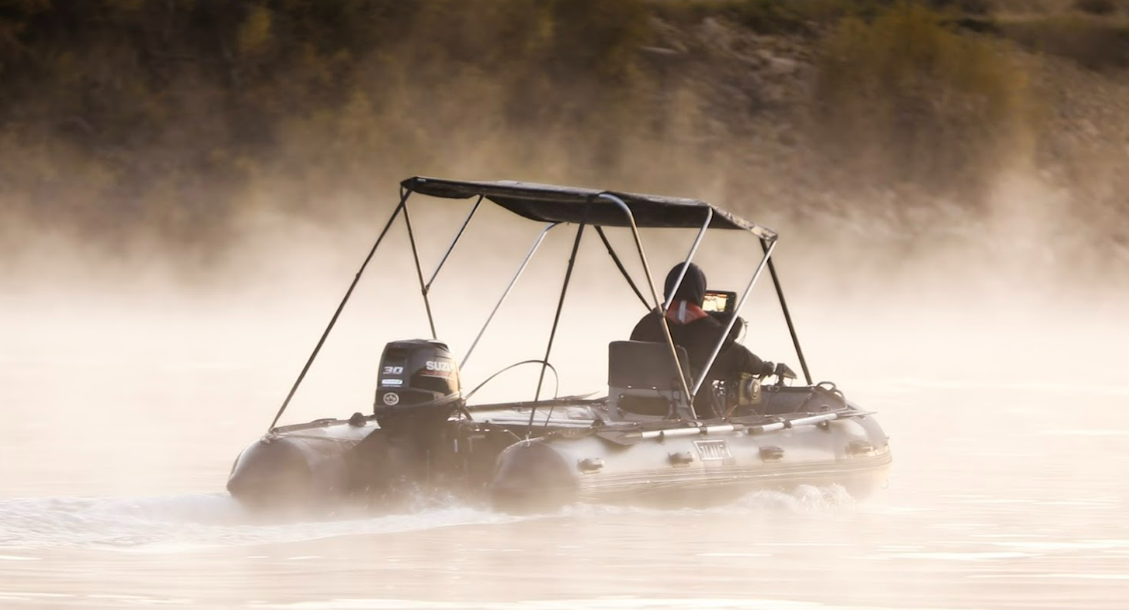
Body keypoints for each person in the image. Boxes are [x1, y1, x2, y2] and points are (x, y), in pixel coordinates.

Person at [630, 262, 788, 418]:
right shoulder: (707, 329)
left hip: (635, 404)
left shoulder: (646, 323)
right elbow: (740, 358)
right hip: (682, 408)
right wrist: (763, 366)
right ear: (700, 293)